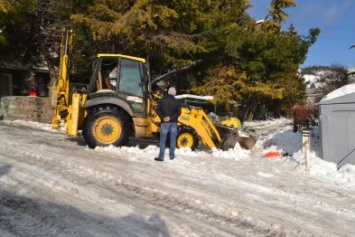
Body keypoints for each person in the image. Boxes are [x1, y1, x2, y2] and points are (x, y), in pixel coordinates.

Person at [155, 87, 181, 161]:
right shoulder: (177, 102)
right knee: (172, 140)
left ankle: (161, 157)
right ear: (174, 93)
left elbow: (158, 110)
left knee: (163, 140)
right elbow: (178, 113)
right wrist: (171, 118)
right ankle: (172, 156)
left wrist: (163, 117)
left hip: (164, 123)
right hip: (173, 122)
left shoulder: (162, 100)